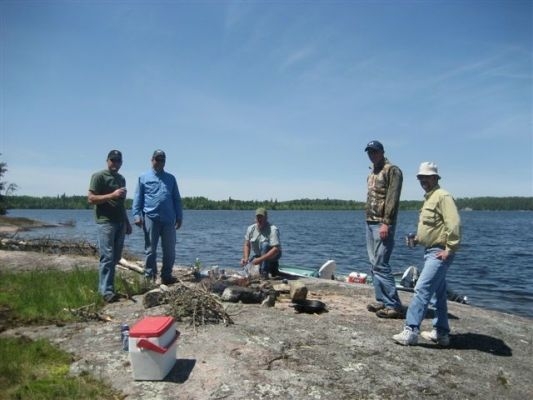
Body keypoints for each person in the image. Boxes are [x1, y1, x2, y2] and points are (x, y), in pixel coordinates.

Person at [392, 162, 461, 346]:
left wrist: (449, 249)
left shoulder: (442, 196)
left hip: (440, 252)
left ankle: (410, 330)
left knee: (421, 289)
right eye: (421, 177)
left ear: (435, 178)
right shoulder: (429, 198)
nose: (423, 180)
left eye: (427, 177)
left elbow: (453, 224)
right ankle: (441, 332)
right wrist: (417, 239)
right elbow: (433, 228)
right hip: (431, 250)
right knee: (438, 293)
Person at [364, 140, 404, 318]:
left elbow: (392, 198)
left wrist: (386, 223)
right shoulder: (372, 173)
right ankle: (381, 300)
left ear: (382, 152)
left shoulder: (392, 170)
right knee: (374, 264)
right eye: (369, 152)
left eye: (375, 152)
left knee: (381, 263)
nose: (372, 155)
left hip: (382, 223)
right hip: (369, 221)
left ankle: (393, 304)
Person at [132, 150, 183, 285]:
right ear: (152, 159)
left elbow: (176, 199)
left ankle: (166, 275)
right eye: (157, 159)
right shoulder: (143, 177)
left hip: (168, 219)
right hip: (150, 217)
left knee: (170, 250)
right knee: (150, 249)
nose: (160, 162)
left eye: (162, 160)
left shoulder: (171, 178)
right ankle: (150, 275)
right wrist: (136, 215)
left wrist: (179, 216)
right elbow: (138, 197)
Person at [88, 150, 132, 303]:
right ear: (107, 161)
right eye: (113, 160)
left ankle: (109, 288)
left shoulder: (121, 179)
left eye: (118, 161)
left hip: (120, 221)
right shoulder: (99, 176)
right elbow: (91, 198)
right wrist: (111, 195)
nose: (115, 163)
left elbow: (121, 204)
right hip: (105, 222)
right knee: (107, 256)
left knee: (116, 257)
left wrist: (127, 222)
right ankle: (106, 292)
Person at [240, 208, 282, 279]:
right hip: (259, 255)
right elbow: (247, 244)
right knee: (248, 266)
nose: (259, 219)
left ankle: (264, 273)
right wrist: (246, 258)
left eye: (261, 217)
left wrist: (260, 260)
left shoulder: (273, 229)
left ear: (266, 218)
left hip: (273, 256)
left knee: (265, 245)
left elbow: (276, 249)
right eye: (258, 217)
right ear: (255, 218)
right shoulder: (250, 229)